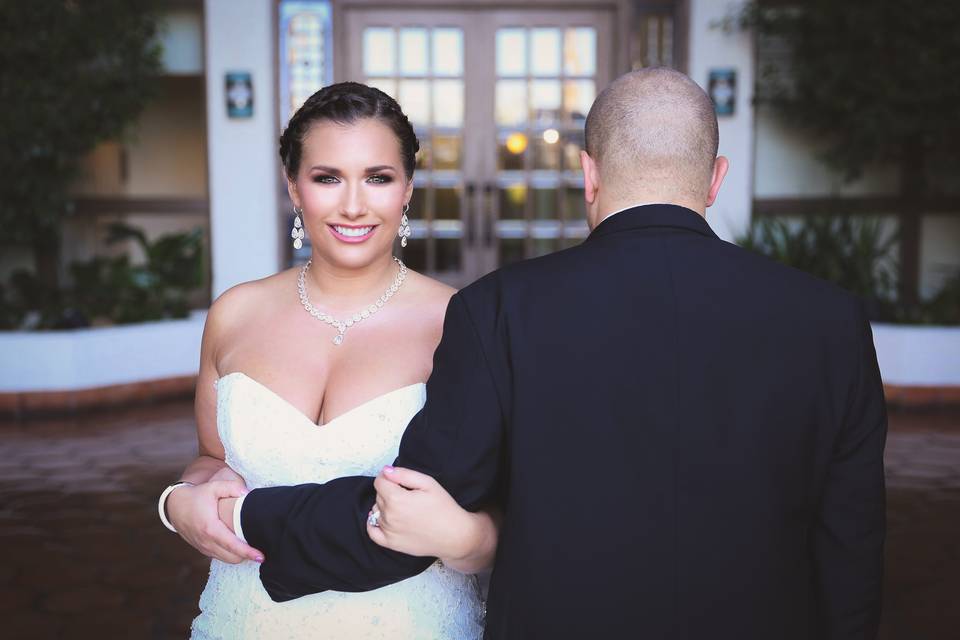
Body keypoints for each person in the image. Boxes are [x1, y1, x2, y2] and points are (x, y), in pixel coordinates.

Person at [204, 67, 887, 639]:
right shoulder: (831, 322)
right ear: (715, 178)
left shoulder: (500, 310)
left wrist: (230, 515)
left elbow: (412, 509)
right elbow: (851, 549)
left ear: (588, 174)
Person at [157, 82, 492, 639]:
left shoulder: (462, 324)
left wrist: (467, 541)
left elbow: (497, 520)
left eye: (378, 178)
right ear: (294, 187)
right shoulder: (235, 314)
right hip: (246, 619)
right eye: (327, 177)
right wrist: (179, 502)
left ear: (408, 188)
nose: (354, 205)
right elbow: (211, 459)